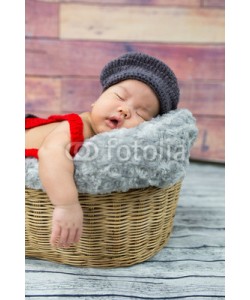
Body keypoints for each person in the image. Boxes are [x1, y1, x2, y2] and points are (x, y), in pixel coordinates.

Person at [25, 52, 180, 248]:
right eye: (119, 96)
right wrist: (67, 205)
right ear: (96, 101)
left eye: (141, 112)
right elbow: (51, 153)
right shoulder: (78, 124)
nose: (125, 109)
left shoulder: (109, 147)